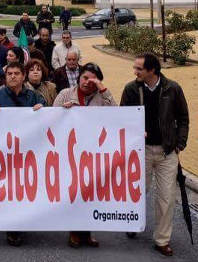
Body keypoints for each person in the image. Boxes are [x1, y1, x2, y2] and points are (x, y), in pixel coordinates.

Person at [120, 53, 189, 257]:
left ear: (152, 70)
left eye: (139, 69)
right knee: (138, 191)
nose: (135, 72)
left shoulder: (172, 89)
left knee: (166, 198)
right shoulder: (131, 89)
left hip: (167, 151)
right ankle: (132, 221)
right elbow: (123, 118)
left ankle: (162, 240)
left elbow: (183, 118)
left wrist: (180, 143)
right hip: (140, 151)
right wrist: (134, 133)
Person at [53, 62, 113, 249]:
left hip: (93, 151)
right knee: (74, 192)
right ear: (79, 77)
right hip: (70, 151)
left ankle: (87, 232)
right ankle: (74, 230)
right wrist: (64, 111)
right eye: (85, 78)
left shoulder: (101, 97)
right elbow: (51, 118)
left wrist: (105, 92)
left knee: (90, 193)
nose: (88, 82)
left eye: (93, 79)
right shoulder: (65, 94)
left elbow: (117, 116)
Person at [0, 61, 45, 246]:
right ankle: (12, 227)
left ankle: (22, 222)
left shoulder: (35, 97)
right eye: (9, 73)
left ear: (23, 76)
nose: (12, 76)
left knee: (23, 188)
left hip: (28, 151)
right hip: (3, 151)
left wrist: (43, 110)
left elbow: (48, 117)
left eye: (16, 73)